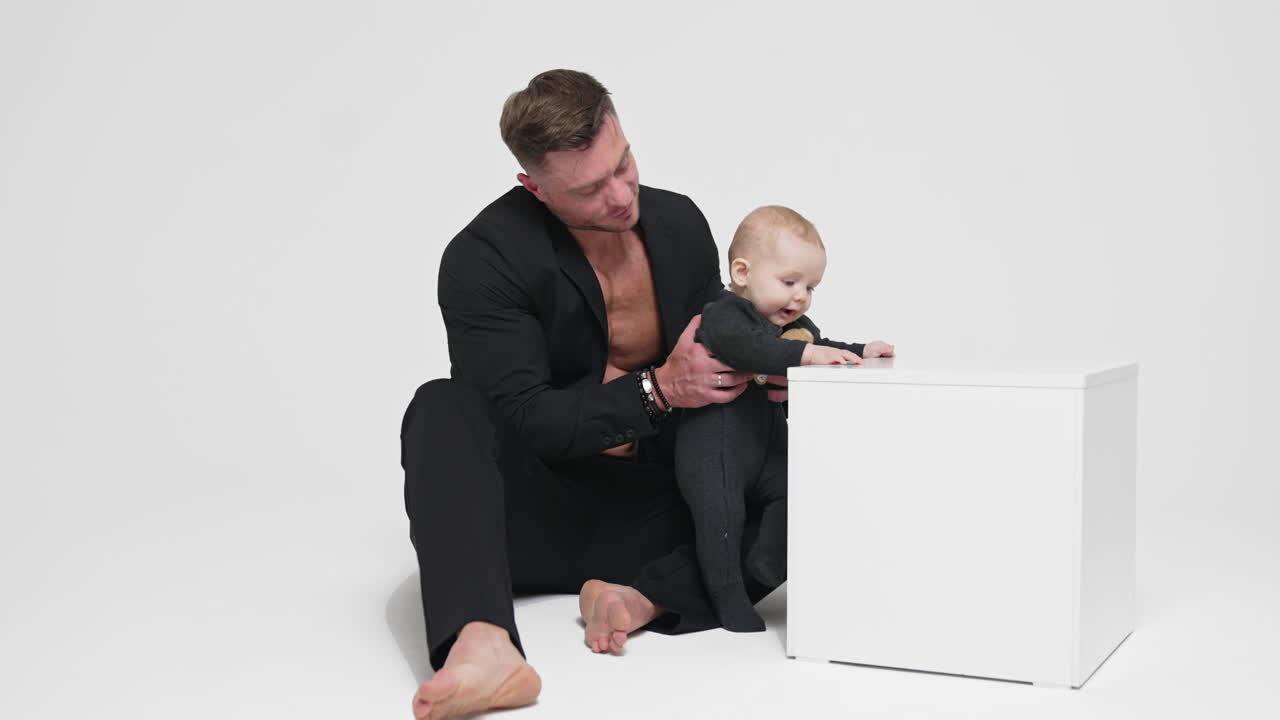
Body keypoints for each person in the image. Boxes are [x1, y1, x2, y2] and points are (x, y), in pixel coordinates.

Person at [400, 69, 785, 720]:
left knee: (794, 484)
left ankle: (643, 598)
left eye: (624, 163)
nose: (619, 195)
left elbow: (718, 349)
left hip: (656, 515)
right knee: (441, 406)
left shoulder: (678, 222)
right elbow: (524, 420)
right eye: (589, 188)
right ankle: (484, 645)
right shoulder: (484, 257)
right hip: (535, 519)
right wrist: (658, 389)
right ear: (536, 188)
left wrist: (784, 363)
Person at [674, 205, 895, 632]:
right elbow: (748, 349)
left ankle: (769, 558)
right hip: (714, 447)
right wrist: (807, 354)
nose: (801, 296)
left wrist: (858, 350)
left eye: (810, 287)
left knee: (799, 490)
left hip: (765, 442)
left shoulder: (795, 325)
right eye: (789, 282)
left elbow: (819, 343)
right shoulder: (724, 315)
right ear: (742, 272)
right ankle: (728, 597)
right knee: (721, 520)